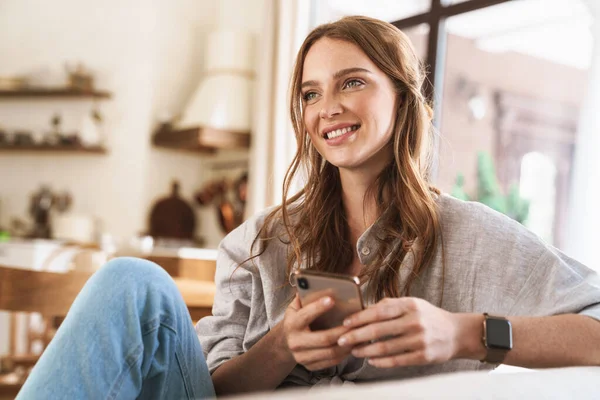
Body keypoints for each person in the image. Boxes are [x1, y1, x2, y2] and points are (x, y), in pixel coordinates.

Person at [17, 15, 600, 400]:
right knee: (131, 281)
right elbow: (210, 387)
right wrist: (281, 348)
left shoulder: (471, 236)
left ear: (401, 95)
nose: (328, 107)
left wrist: (464, 334)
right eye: (309, 92)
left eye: (352, 82)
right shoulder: (259, 242)